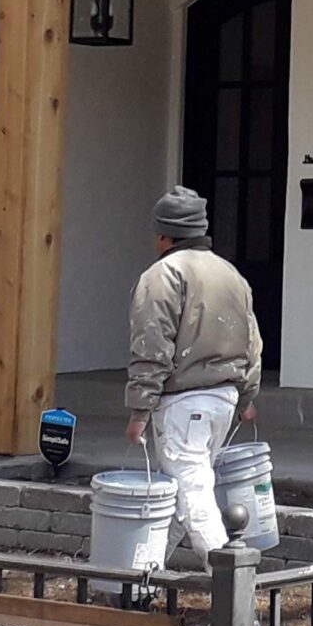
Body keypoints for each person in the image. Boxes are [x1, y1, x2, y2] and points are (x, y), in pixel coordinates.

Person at [124, 186, 262, 559]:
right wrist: (247, 396)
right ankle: (140, 582)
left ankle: (236, 595)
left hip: (184, 403)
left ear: (163, 234)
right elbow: (253, 342)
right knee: (183, 491)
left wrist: (139, 410)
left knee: (193, 498)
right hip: (224, 399)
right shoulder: (231, 274)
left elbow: (151, 348)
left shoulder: (163, 275)